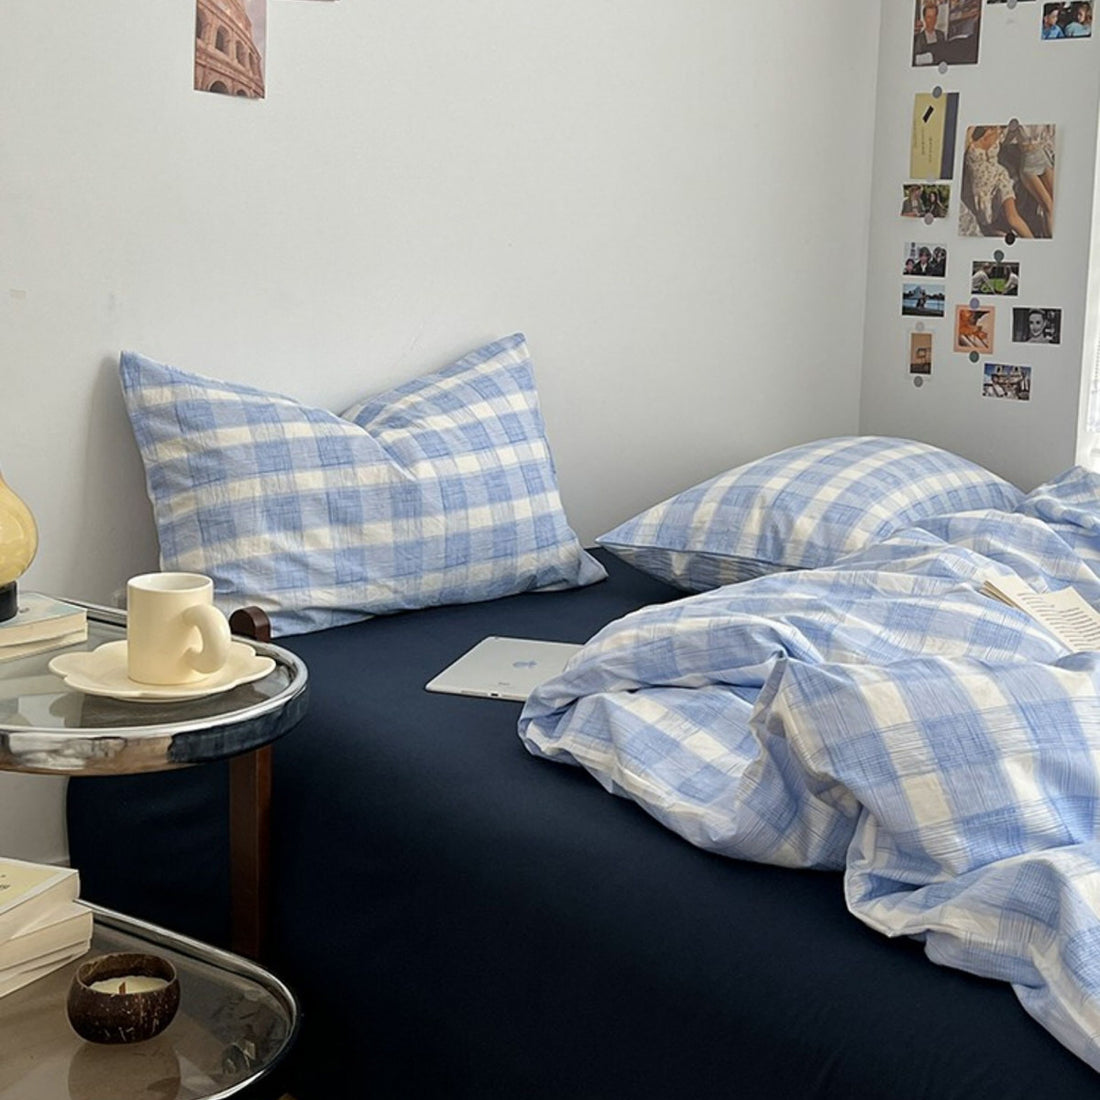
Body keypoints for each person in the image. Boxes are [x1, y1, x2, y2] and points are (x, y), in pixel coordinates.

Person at [963, 126, 1035, 239]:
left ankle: (1036, 247)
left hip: (999, 178)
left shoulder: (999, 130)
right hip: (982, 191)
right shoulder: (970, 135)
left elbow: (1021, 133)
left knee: (1013, 219)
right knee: (995, 226)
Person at [1006, 122, 1055, 235]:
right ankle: (1050, 240)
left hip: (1042, 157)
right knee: (1048, 206)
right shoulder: (1016, 122)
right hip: (1028, 163)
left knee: (1056, 201)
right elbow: (1006, 139)